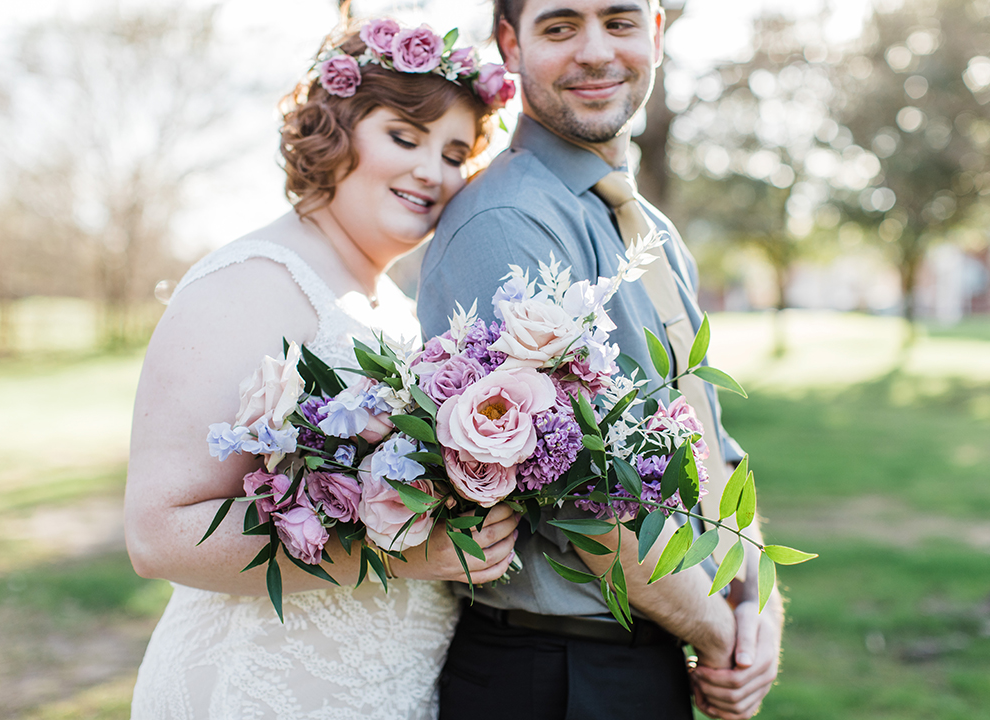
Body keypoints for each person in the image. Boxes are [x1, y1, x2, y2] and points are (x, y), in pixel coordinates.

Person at [124, 19, 521, 719]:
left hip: (388, 690)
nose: (433, 170)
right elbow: (159, 535)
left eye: (456, 153)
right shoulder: (249, 282)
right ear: (335, 130)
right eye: (405, 136)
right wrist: (411, 552)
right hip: (260, 692)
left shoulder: (397, 306)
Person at [416, 1, 783, 719]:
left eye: (619, 22)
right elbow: (583, 495)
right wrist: (718, 637)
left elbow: (709, 439)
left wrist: (756, 606)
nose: (594, 52)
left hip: (648, 652)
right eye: (559, 27)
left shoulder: (648, 229)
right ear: (509, 45)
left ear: (655, 33)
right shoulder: (506, 224)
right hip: (556, 678)